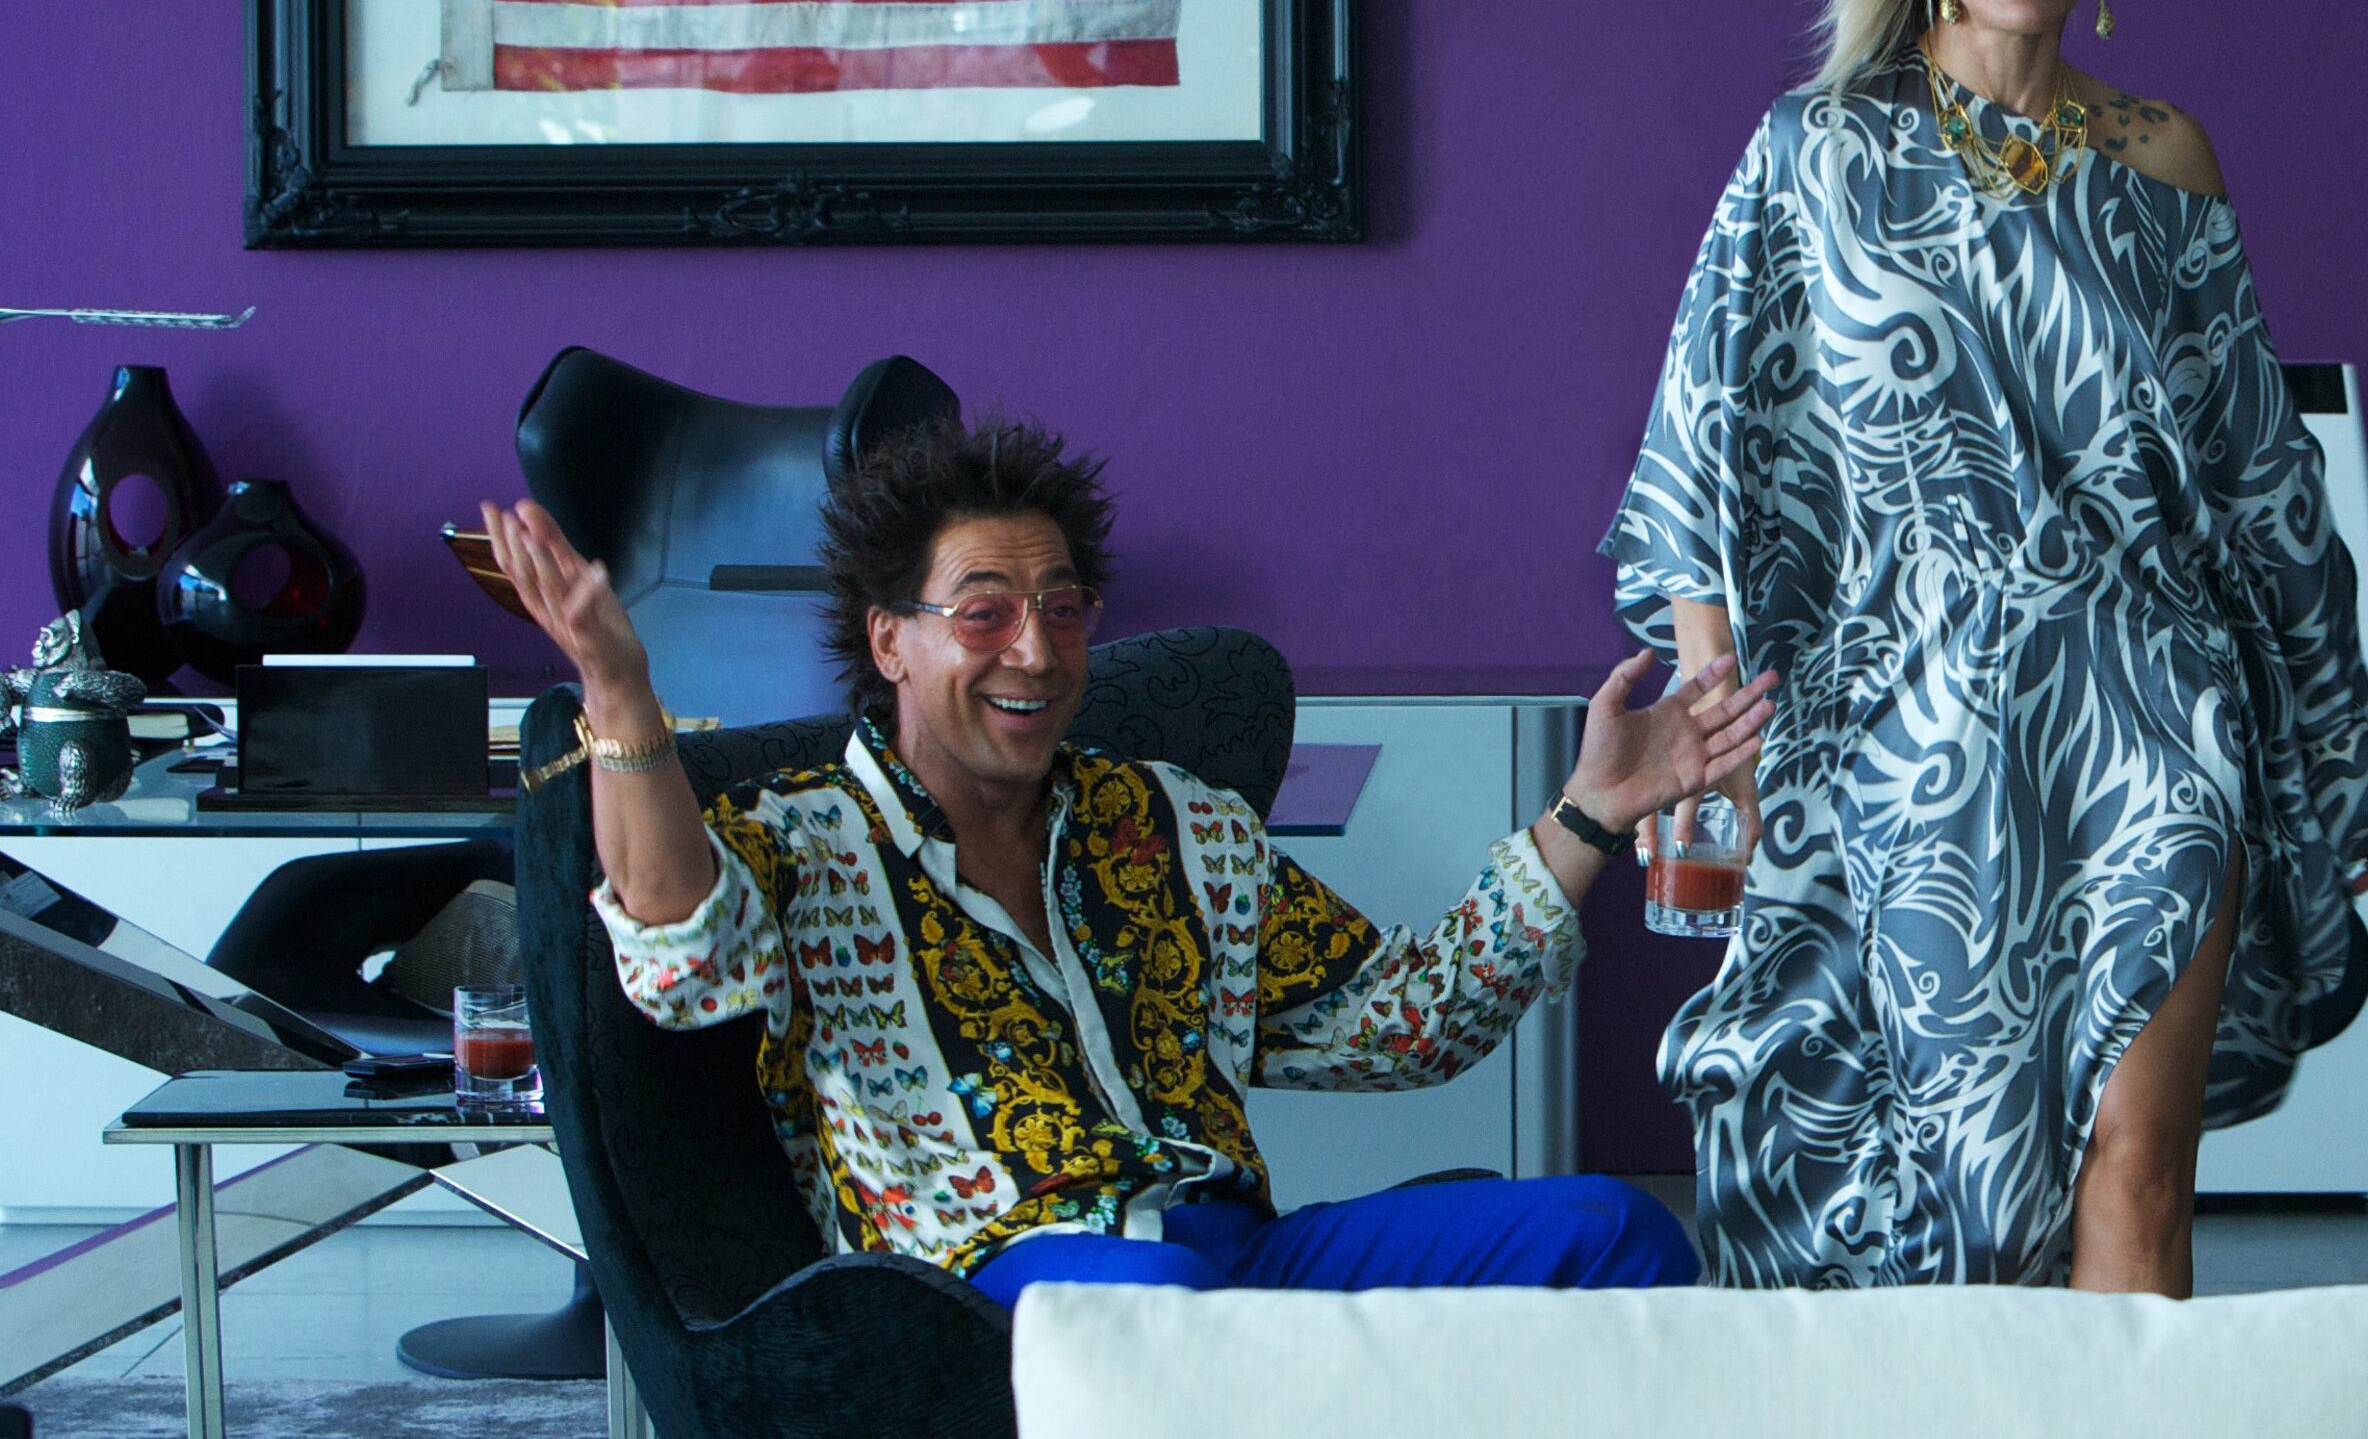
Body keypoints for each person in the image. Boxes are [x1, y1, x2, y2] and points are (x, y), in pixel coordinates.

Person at [1603, 0, 2368, 1294]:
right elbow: (1700, 457)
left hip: (2152, 709)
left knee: (2137, 1166)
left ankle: (2132, 1407)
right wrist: (1713, 739)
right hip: (1908, 733)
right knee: (1955, 1195)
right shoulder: (1816, 150)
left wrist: (2344, 740)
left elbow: (2260, 482)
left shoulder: (2164, 155)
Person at [482, 413, 1773, 1307]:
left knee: (1610, 1232)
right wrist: (621, 694)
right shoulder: (805, 839)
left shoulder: (1171, 823)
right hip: (984, 1279)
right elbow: (681, 956)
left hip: (1232, 1249)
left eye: (1061, 608)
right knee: (1165, 1302)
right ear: (889, 643)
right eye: (983, 612)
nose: (1034, 650)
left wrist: (1594, 809)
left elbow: (1402, 1021)